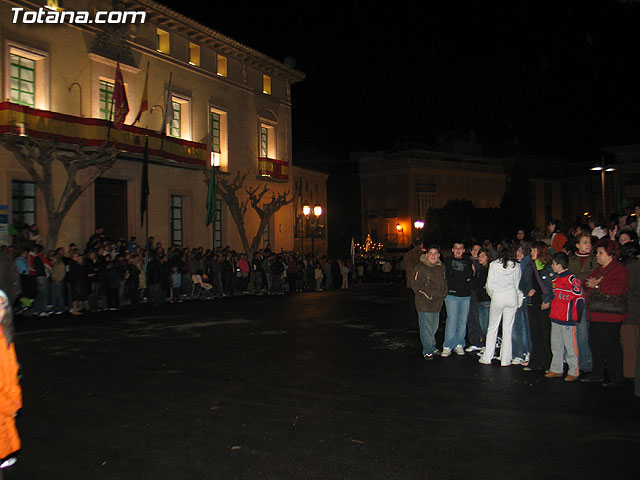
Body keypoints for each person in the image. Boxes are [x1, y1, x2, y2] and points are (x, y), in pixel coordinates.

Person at [582, 238, 628, 386]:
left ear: (610, 254)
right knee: (596, 345)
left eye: (601, 253)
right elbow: (586, 283)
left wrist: (598, 285)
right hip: (596, 313)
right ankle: (597, 374)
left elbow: (617, 289)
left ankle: (616, 377)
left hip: (611, 315)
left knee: (611, 346)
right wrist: (594, 284)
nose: (597, 256)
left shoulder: (618, 269)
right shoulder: (598, 269)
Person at [479, 239, 523, 366]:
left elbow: (489, 285)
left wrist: (494, 295)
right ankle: (505, 359)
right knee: (507, 329)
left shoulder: (494, 265)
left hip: (498, 296)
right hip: (511, 297)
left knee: (492, 327)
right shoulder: (516, 266)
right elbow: (516, 285)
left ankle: (487, 357)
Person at [545, 252, 585, 382]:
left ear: (560, 265)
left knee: (570, 347)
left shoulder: (572, 280)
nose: (552, 266)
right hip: (555, 318)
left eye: (554, 264)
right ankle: (556, 369)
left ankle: (574, 370)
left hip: (568, 320)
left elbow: (580, 300)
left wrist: (576, 318)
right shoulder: (555, 279)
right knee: (556, 345)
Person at [519, 241, 555, 372]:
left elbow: (552, 287)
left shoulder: (548, 267)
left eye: (535, 250)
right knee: (535, 334)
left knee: (546, 334)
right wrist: (528, 290)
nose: (532, 253)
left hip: (544, 304)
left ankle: (548, 363)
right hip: (532, 303)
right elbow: (522, 284)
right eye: (532, 250)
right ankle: (536, 361)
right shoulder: (530, 266)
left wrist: (547, 300)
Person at [410, 246, 447, 360]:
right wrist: (427, 294)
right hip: (424, 303)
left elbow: (444, 281)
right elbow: (415, 284)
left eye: (435, 253)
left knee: (434, 326)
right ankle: (427, 350)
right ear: (427, 255)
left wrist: (444, 292)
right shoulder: (420, 267)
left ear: (439, 255)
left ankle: (432, 345)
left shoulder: (441, 267)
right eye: (431, 253)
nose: (433, 255)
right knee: (426, 327)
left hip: (437, 302)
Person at [0, 290, 22, 476]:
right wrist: (9, 405)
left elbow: (12, 371)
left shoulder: (4, 335)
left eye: (1, 305)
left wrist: (15, 399)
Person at [568, 233, 596, 375]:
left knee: (590, 332)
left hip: (592, 300)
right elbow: (571, 278)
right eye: (584, 242)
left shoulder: (595, 259)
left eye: (589, 242)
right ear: (577, 245)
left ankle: (590, 362)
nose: (588, 245)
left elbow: (595, 276)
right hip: (577, 300)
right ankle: (583, 363)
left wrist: (581, 279)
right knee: (581, 332)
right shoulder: (572, 260)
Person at [442, 241, 473, 357]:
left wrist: (460, 276)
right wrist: (462, 277)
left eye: (461, 248)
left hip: (465, 295)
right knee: (452, 320)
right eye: (456, 248)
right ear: (452, 250)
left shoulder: (468, 260)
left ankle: (459, 344)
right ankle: (447, 345)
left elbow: (469, 274)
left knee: (462, 321)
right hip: (452, 295)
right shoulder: (447, 261)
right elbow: (448, 276)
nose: (458, 250)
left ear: (464, 250)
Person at [619, 242, 639, 381]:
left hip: (628, 311)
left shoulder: (625, 269)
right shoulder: (635, 267)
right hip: (635, 309)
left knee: (629, 344)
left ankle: (630, 373)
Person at [401, 239, 425, 328]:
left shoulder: (408, 254)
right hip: (421, 282)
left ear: (414, 245)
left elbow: (403, 266)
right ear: (421, 245)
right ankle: (421, 322)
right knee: (422, 304)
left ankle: (413, 322)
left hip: (410, 282)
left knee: (412, 303)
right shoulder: (423, 255)